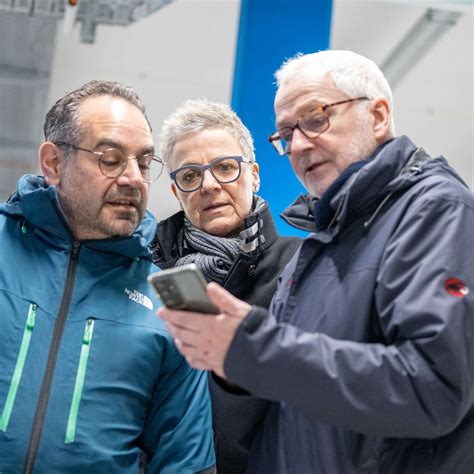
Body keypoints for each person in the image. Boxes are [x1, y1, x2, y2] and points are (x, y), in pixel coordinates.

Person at [158, 50, 474, 473]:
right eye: (286, 134)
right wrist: (234, 371)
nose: (299, 145)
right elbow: (292, 405)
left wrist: (253, 347)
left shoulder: (435, 212)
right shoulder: (323, 243)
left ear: (378, 116)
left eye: (316, 119)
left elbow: (432, 387)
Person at [0, 80, 215, 473]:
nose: (134, 178)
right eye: (111, 159)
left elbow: (188, 462)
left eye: (144, 163)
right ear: (53, 163)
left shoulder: (182, 295)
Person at [151, 99, 302, 473]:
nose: (209, 185)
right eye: (189, 176)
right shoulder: (143, 275)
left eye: (224, 168)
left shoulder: (301, 267)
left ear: (254, 174)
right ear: (176, 192)